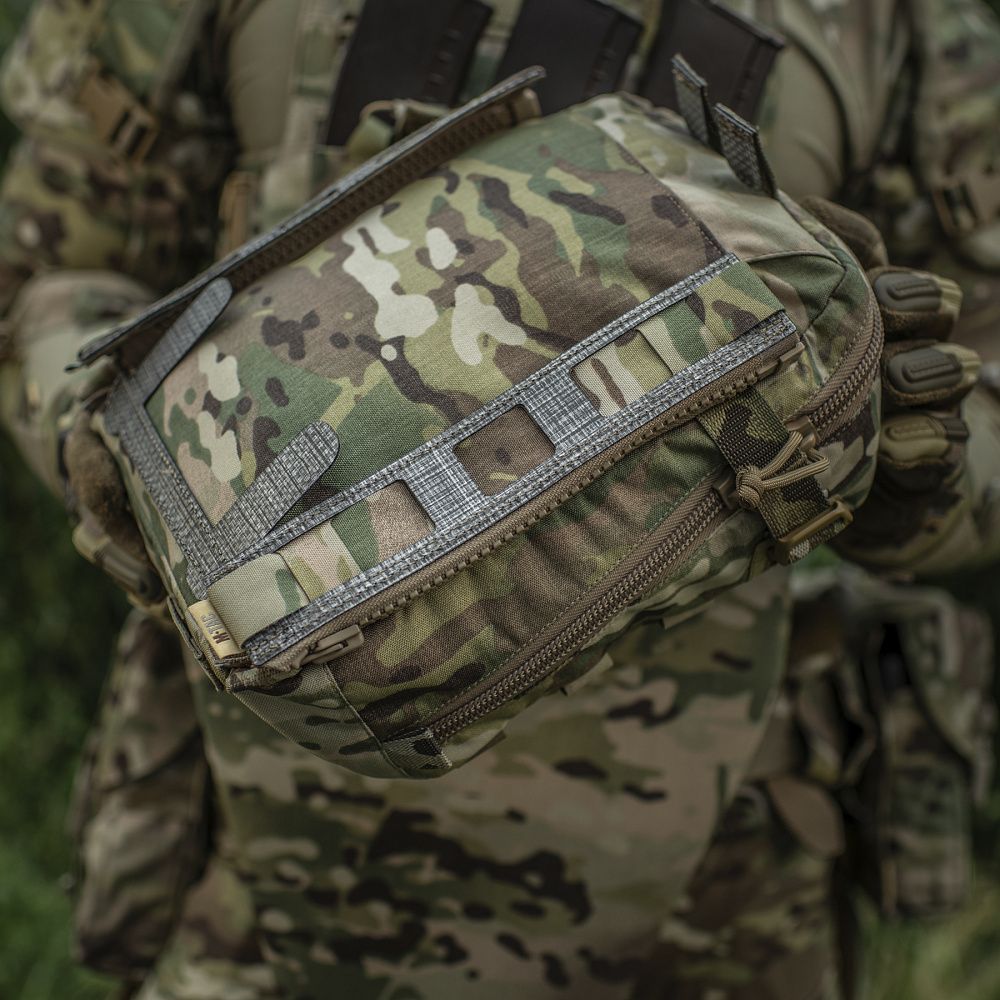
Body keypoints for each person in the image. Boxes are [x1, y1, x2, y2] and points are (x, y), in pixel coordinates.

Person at [0, 1, 997, 997]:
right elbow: (49, 271)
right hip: (272, 881)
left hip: (721, 900)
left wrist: (920, 469)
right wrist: (97, 438)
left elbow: (979, 367)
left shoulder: (894, 24)